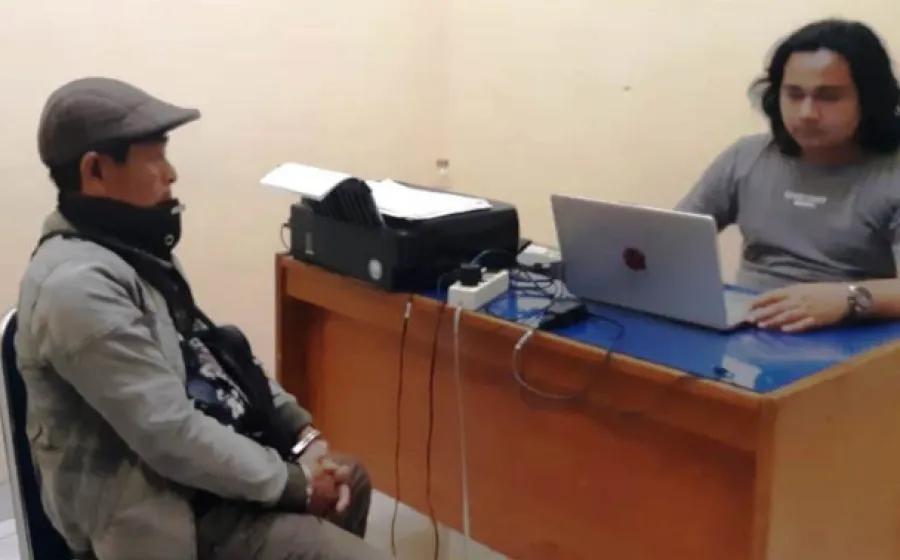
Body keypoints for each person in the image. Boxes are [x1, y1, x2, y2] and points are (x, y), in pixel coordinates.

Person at [15, 77, 391, 560]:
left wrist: (302, 435)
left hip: (201, 483)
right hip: (165, 516)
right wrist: (297, 485)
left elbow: (217, 359)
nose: (171, 174)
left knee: (349, 482)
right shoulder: (76, 288)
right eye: (155, 158)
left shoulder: (131, 252)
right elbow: (171, 435)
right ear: (96, 170)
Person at [677, 19, 900, 333]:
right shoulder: (747, 155)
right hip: (748, 323)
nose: (807, 113)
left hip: (851, 334)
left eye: (828, 97)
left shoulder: (891, 173)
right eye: (794, 95)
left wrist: (847, 298)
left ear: (870, 101)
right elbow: (674, 240)